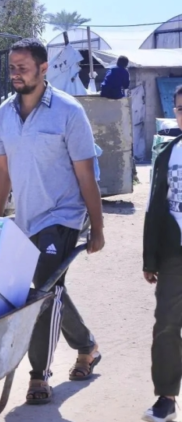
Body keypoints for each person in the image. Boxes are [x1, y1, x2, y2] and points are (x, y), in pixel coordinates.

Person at [0, 37, 106, 405]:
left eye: (22, 68)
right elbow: (2, 168)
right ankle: (87, 347)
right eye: (12, 67)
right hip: (26, 218)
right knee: (51, 288)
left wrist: (98, 227)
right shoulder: (6, 114)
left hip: (63, 216)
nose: (15, 74)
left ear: (43, 69)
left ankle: (38, 376)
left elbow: (86, 174)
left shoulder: (69, 112)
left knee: (42, 292)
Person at [142, 84, 182, 422]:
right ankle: (166, 397)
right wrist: (149, 257)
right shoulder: (169, 153)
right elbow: (155, 205)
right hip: (174, 254)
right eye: (180, 108)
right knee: (167, 326)